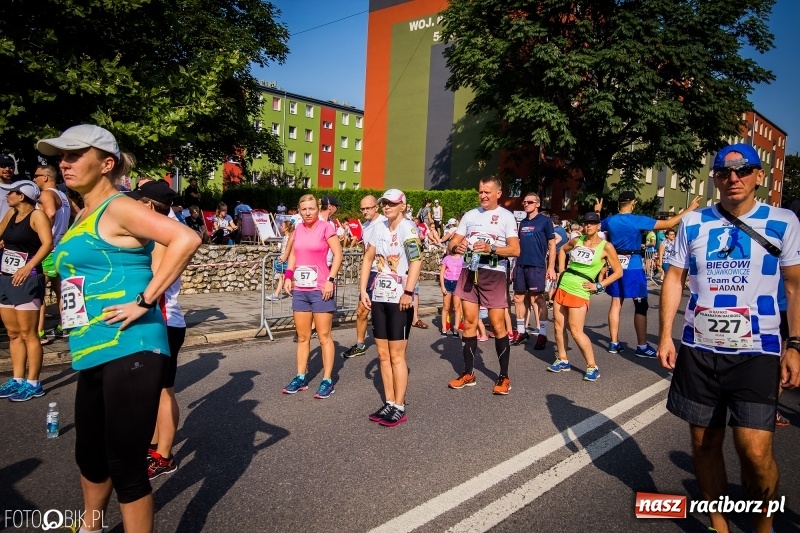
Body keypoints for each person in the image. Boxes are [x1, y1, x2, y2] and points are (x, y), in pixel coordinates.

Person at [36, 124, 200, 532]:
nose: (64, 163)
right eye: (61, 156)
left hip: (132, 345)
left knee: (125, 464)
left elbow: (185, 238)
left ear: (106, 163)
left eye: (75, 155)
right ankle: (91, 526)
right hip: (93, 347)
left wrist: (143, 301)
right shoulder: (85, 214)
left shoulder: (119, 206)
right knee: (90, 457)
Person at [657, 143, 800, 533]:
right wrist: (666, 336)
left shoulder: (784, 221)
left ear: (759, 176)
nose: (732, 179)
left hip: (758, 351)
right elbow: (674, 277)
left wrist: (796, 346)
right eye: (723, 172)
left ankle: (764, 525)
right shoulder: (693, 222)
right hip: (700, 350)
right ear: (715, 177)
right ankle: (719, 526)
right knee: (704, 445)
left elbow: (794, 287)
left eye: (742, 171)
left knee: (755, 452)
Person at [126, 180, 186, 480]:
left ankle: (164, 456)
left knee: (163, 392)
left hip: (164, 320)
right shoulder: (158, 230)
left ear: (149, 205)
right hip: (155, 320)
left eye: (138, 200)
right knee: (151, 391)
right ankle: (152, 446)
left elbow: (154, 281)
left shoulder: (164, 235)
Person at [596, 190, 700, 357]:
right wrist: (689, 208)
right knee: (640, 305)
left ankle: (614, 343)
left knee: (616, 303)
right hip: (634, 265)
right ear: (633, 202)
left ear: (619, 203)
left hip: (615, 264)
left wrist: (597, 211)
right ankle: (642, 346)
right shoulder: (637, 220)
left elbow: (596, 225)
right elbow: (668, 224)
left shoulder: (610, 220)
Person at [446, 176, 520, 395]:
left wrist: (492, 249)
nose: (483, 195)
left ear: (498, 193)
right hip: (470, 271)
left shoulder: (506, 217)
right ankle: (468, 373)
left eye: (488, 192)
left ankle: (504, 376)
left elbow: (515, 250)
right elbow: (452, 243)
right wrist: (455, 248)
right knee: (468, 322)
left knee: (497, 325)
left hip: (494, 273)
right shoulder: (470, 215)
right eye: (480, 191)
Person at [358, 189, 421, 426]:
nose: (387, 207)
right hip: (379, 296)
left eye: (392, 204)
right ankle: (389, 401)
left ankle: (400, 406)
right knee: (382, 354)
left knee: (396, 355)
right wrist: (364, 290)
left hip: (399, 300)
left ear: (402, 206)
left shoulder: (408, 228)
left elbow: (416, 260)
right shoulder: (379, 227)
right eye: (384, 203)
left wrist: (409, 292)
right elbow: (367, 258)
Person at [547, 212, 622, 381]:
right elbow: (562, 251)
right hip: (564, 285)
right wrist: (561, 270)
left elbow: (618, 272)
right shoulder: (576, 240)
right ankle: (563, 359)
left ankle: (592, 366)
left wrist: (599, 285)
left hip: (580, 290)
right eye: (586, 222)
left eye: (592, 223)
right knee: (558, 326)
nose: (589, 225)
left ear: (598, 226)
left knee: (575, 330)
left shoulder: (606, 246)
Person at [282, 194, 343, 399]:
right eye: (303, 209)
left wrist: (331, 280)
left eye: (311, 209)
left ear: (318, 208)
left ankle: (327, 380)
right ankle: (300, 377)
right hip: (301, 289)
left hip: (321, 289)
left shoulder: (326, 228)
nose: (307, 213)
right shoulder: (298, 229)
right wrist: (288, 276)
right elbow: (294, 255)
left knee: (324, 337)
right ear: (299, 211)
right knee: (303, 337)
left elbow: (338, 254)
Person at [0, 181, 53, 401]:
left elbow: (47, 243)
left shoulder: (36, 216)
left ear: (23, 196)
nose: (7, 196)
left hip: (28, 278)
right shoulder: (10, 215)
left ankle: (34, 383)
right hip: (6, 277)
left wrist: (29, 266)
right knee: (13, 333)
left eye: (11, 193)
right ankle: (18, 379)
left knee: (28, 334)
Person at [343, 195, 386, 358]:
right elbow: (365, 251)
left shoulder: (384, 222)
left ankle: (390, 342)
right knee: (361, 310)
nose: (365, 211)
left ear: (376, 207)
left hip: (385, 272)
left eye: (368, 208)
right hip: (371, 271)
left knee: (382, 310)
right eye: (363, 208)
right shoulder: (366, 226)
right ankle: (360, 344)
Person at [511, 193, 556, 348]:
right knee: (518, 298)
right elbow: (518, 246)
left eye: (529, 202)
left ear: (537, 204)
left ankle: (542, 334)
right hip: (520, 265)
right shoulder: (522, 223)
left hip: (537, 265)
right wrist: (514, 265)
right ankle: (522, 331)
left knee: (538, 299)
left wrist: (551, 267)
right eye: (524, 202)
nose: (526, 204)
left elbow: (552, 245)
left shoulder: (545, 221)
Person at [32, 165, 71, 344]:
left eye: (36, 176)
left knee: (37, 291)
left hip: (48, 249)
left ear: (46, 177)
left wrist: (38, 234)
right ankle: (65, 326)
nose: (34, 179)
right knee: (60, 290)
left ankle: (39, 333)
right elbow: (77, 215)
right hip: (61, 248)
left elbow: (50, 214)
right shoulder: (63, 196)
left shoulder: (46, 194)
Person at [268, 220, 294, 301]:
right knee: (282, 277)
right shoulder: (286, 237)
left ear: (286, 228)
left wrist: (284, 257)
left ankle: (276, 294)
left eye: (282, 226)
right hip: (285, 258)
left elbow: (288, 250)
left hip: (287, 259)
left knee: (284, 277)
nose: (280, 227)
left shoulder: (288, 238)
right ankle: (276, 294)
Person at [440, 248, 463, 337]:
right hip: (447, 282)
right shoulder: (447, 258)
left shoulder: (463, 258)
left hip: (458, 283)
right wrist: (442, 286)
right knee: (446, 306)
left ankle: (456, 329)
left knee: (457, 307)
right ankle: (444, 328)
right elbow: (442, 273)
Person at [0, 153, 17, 220]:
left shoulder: (18, 188)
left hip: (13, 229)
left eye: (11, 166)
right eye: (3, 165)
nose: (7, 169)